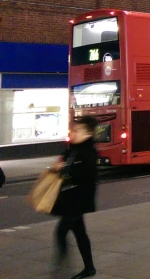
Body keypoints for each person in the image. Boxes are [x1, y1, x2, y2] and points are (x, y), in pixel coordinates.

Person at [52, 116, 98, 278]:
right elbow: (63, 163)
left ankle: (61, 270)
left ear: (88, 134)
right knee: (80, 234)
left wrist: (65, 168)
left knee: (61, 232)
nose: (74, 132)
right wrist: (59, 165)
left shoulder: (89, 152)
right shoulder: (73, 149)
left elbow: (87, 176)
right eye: (75, 129)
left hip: (78, 201)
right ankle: (89, 268)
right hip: (70, 199)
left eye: (78, 130)